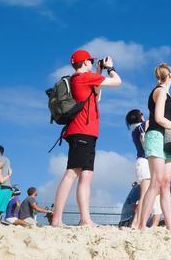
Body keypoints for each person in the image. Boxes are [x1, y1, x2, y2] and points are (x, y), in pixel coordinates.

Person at [51, 50, 122, 227]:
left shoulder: (82, 79)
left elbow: (96, 97)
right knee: (71, 173)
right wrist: (111, 68)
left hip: (86, 132)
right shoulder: (83, 77)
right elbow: (117, 82)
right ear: (84, 63)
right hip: (82, 130)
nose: (92, 62)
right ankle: (57, 219)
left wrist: (98, 72)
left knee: (86, 176)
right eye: (90, 60)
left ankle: (85, 219)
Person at [139, 63, 171, 230]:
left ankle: (170, 227)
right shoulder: (160, 91)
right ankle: (142, 225)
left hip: (166, 139)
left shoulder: (167, 93)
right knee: (156, 182)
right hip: (156, 136)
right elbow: (158, 118)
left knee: (166, 183)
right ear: (170, 74)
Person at [126, 109, 150, 229]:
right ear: (139, 117)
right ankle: (136, 223)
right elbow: (155, 120)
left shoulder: (134, 129)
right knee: (145, 195)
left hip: (141, 162)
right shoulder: (141, 126)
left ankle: (136, 222)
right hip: (144, 161)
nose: (143, 115)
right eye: (142, 114)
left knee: (144, 195)